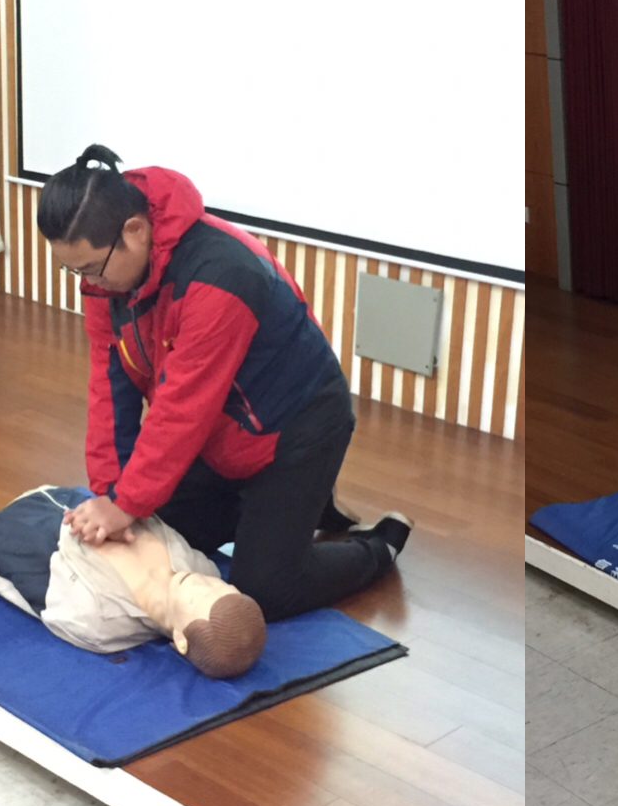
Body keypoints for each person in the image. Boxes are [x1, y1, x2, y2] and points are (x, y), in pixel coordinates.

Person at [36, 144, 409, 623]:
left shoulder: (223, 275)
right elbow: (110, 387)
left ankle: (377, 547)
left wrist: (127, 502)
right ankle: (300, 508)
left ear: (135, 230)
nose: (87, 282)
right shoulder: (106, 279)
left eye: (90, 268)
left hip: (296, 429)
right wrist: (111, 492)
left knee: (265, 590)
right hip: (220, 437)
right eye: (72, 270)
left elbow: (182, 408)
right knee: (149, 536)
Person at [0, 486, 267, 679]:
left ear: (181, 638)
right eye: (219, 586)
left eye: (196, 596)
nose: (199, 582)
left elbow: (36, 581)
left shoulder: (98, 620)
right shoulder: (204, 568)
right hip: (64, 495)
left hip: (14, 533)